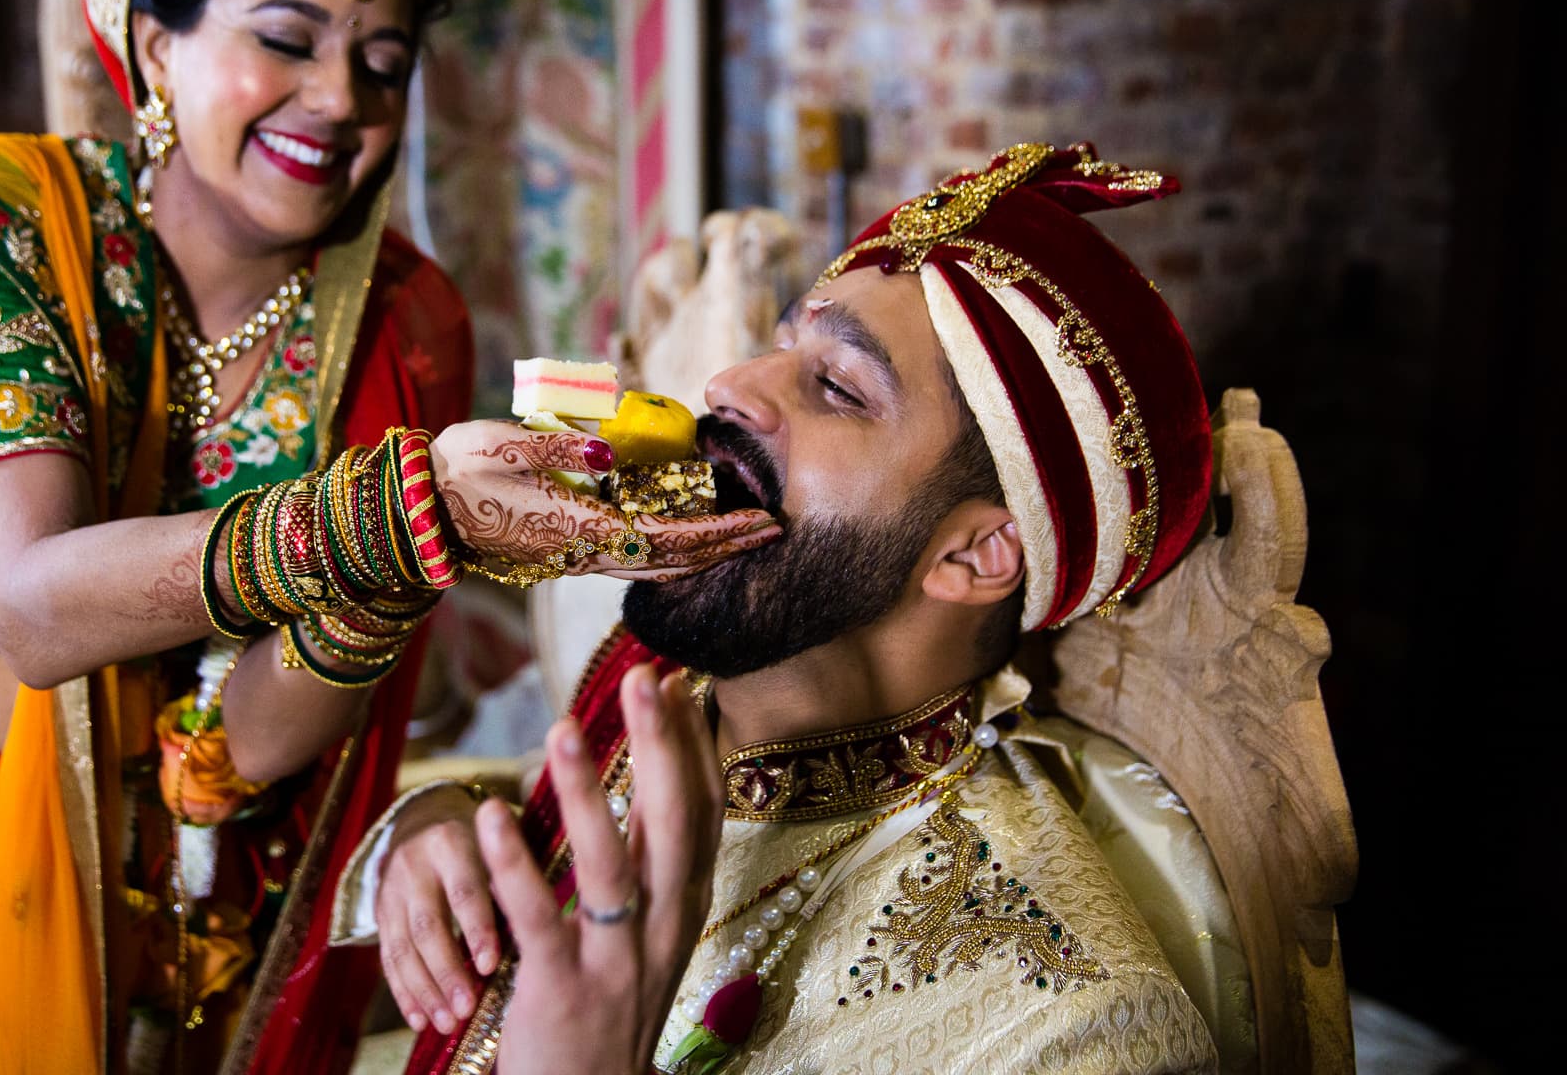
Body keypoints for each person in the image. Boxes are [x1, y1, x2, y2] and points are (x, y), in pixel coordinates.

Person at [0, 0, 776, 1075]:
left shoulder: (406, 320)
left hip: (220, 877)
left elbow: (253, 738)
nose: (337, 99)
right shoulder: (3, 216)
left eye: (383, 60)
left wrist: (408, 555)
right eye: (285, 40)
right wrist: (395, 519)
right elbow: (31, 607)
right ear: (158, 44)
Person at [339, 142, 1224, 1073]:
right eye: (781, 341)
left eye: (837, 387)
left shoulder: (1067, 1023)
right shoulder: (664, 693)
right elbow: (537, 803)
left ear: (972, 555)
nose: (727, 386)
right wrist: (434, 823)